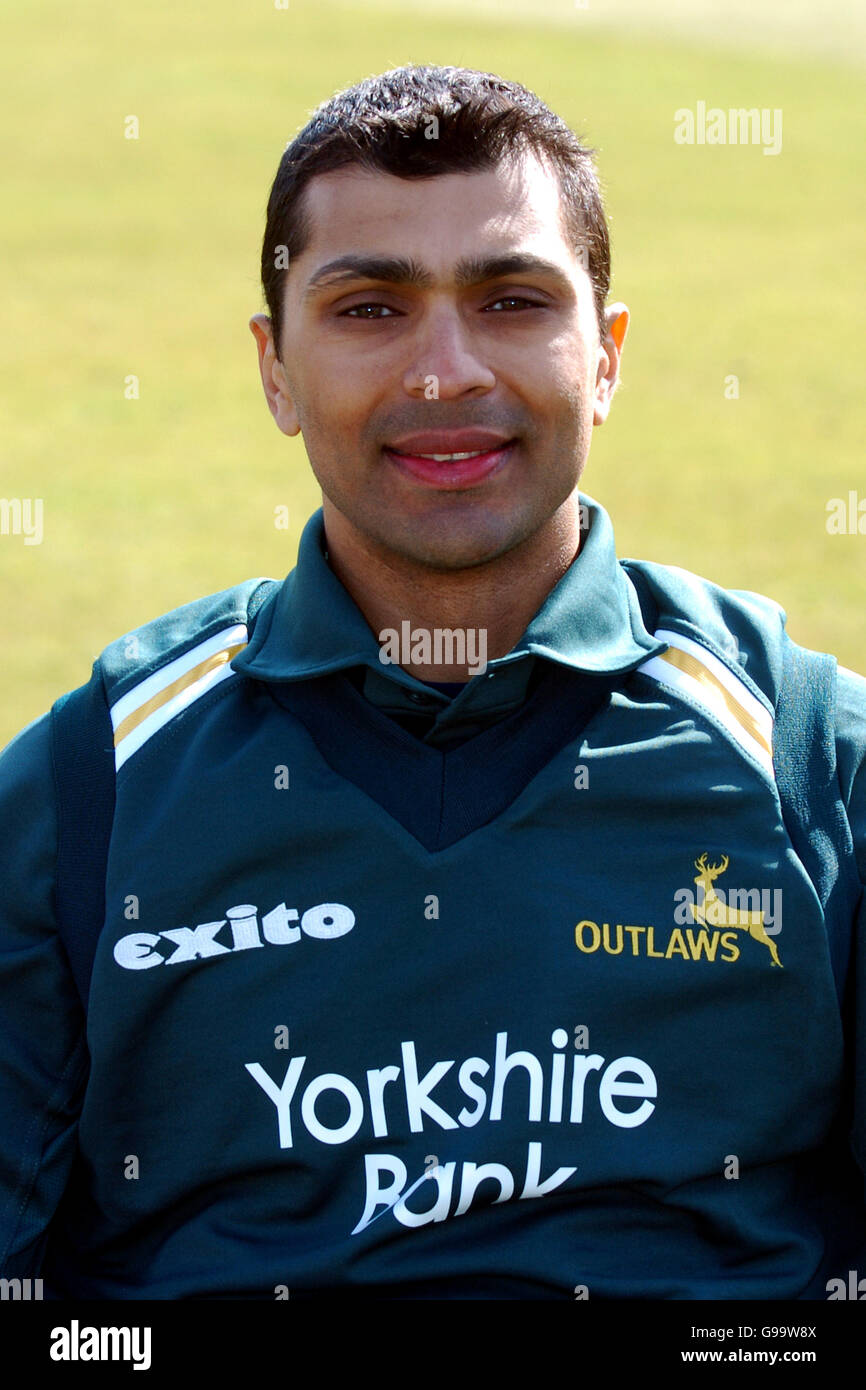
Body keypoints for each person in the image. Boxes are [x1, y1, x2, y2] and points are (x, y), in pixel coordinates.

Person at [1, 63, 864, 1301]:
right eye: (367, 308)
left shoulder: (804, 757)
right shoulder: (93, 783)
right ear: (275, 368)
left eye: (512, 299)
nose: (444, 372)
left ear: (606, 356)